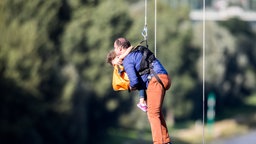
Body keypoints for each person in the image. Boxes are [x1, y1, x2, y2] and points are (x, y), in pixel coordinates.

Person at [113, 37, 172, 144]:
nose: (114, 51)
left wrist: (129, 87)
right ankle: (166, 141)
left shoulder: (127, 60)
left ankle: (158, 142)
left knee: (152, 114)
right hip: (164, 78)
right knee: (156, 112)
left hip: (155, 80)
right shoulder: (137, 51)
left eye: (115, 48)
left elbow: (134, 81)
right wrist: (142, 97)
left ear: (121, 48)